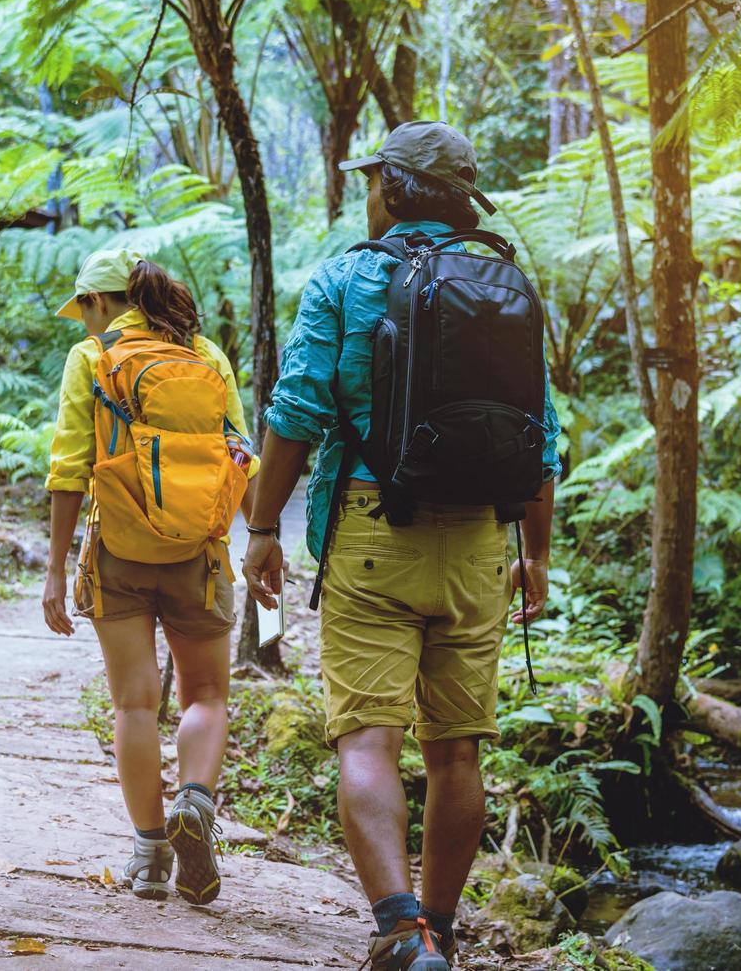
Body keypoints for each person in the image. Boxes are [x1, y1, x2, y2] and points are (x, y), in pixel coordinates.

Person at [241, 122, 560, 970]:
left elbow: (295, 413)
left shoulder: (348, 277)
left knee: (369, 742)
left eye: (375, 178)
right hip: (484, 543)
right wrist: (538, 555)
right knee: (457, 749)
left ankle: (399, 930)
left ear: (398, 189)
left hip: (376, 533)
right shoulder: (505, 282)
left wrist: (265, 527)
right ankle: (443, 930)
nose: (368, 190)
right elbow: (542, 440)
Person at [42, 247, 256, 906]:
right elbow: (241, 454)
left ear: (104, 304)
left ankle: (149, 848)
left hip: (119, 555)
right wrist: (261, 541)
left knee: (135, 703)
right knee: (206, 698)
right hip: (198, 551)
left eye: (86, 309)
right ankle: (195, 798)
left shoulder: (92, 360)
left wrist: (55, 569)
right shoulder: (206, 354)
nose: (84, 322)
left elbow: (69, 469)